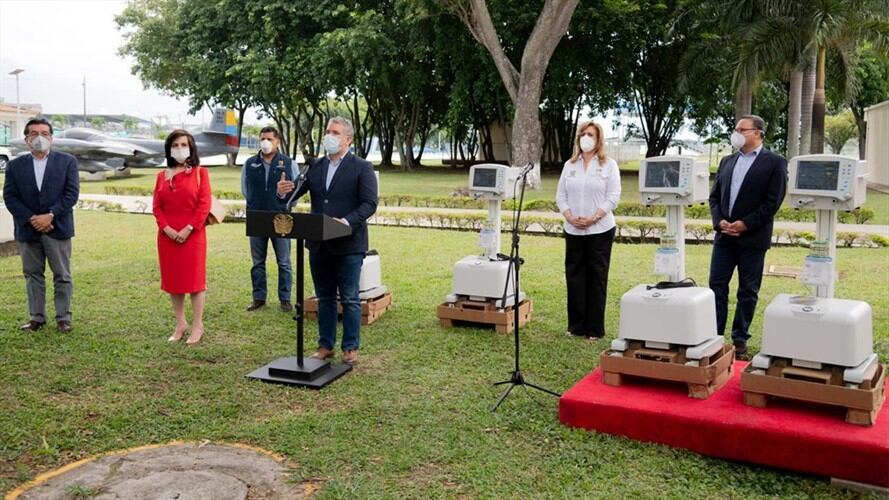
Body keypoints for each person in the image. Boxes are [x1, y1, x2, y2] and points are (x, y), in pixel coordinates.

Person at [277, 117, 377, 365]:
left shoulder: (361, 167)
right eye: (327, 131)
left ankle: (350, 348)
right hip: (319, 243)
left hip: (348, 243)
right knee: (325, 296)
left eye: (335, 132)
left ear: (348, 140)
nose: (329, 136)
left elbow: (369, 204)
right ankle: (325, 345)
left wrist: (346, 221)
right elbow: (293, 195)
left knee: (350, 298)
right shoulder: (315, 166)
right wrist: (283, 192)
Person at [708, 115, 787, 359]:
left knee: (748, 290)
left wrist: (745, 224)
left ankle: (740, 338)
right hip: (724, 237)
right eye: (735, 129)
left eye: (742, 129)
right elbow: (714, 197)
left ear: (758, 133)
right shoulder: (727, 161)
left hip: (752, 238)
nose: (736, 133)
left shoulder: (775, 163)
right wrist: (719, 221)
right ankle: (714, 335)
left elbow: (772, 202)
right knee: (716, 286)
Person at [3, 118, 79, 333]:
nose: (40, 137)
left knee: (62, 275)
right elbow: (10, 196)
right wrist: (32, 218)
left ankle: (63, 318)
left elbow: (71, 194)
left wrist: (50, 215)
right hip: (28, 229)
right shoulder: (16, 165)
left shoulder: (67, 162)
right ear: (27, 140)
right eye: (34, 133)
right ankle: (37, 317)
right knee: (33, 275)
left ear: (51, 138)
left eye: (45, 133)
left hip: (58, 228)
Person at [556, 120, 621, 339]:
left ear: (598, 139)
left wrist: (594, 217)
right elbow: (561, 196)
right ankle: (576, 326)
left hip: (600, 229)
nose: (586, 138)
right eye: (583, 134)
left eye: (591, 135)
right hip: (573, 229)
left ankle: (594, 329)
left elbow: (613, 196)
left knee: (596, 277)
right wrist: (570, 216)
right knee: (574, 276)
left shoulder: (608, 165)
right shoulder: (570, 165)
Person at [152, 129, 212, 344]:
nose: (179, 149)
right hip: (167, 237)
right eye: (175, 145)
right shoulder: (161, 176)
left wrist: (188, 229)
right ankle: (180, 323)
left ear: (191, 147)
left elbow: (204, 206)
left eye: (183, 145)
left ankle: (197, 325)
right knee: (174, 281)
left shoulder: (200, 173)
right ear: (169, 149)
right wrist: (166, 228)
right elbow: (157, 207)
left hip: (193, 236)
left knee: (195, 282)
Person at [241, 126, 296, 312]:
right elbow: (245, 189)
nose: (265, 142)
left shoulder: (288, 163)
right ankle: (259, 297)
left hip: (281, 217)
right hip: (257, 217)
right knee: (257, 261)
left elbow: (295, 192)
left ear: (277, 141)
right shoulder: (250, 163)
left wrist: (282, 199)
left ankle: (285, 298)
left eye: (269, 139)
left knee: (284, 261)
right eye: (262, 139)